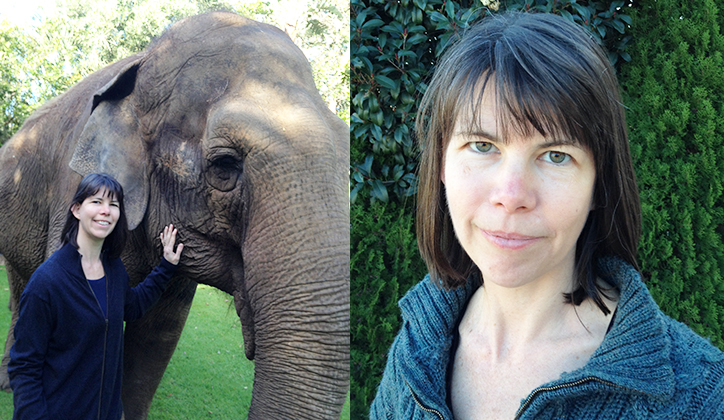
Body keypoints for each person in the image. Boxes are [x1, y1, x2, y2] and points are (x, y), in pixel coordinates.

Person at [370, 11, 724, 420]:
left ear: (599, 185)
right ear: (442, 167)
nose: (511, 195)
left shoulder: (701, 396)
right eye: (483, 146)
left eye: (556, 156)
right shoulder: (416, 351)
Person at [8, 173, 184, 420]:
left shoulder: (113, 269)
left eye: (113, 205)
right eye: (96, 202)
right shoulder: (47, 283)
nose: (106, 211)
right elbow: (24, 366)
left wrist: (166, 266)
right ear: (77, 209)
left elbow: (132, 307)